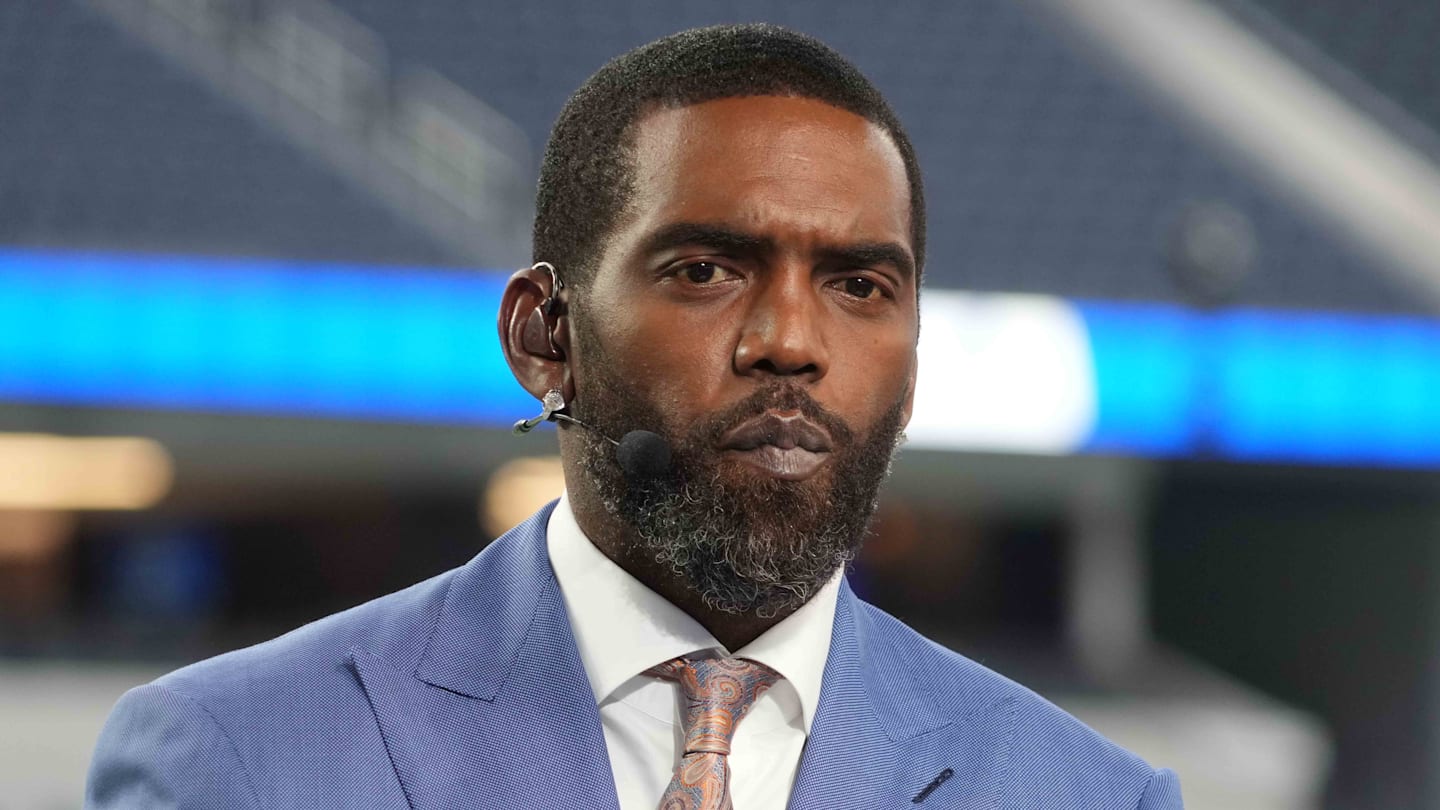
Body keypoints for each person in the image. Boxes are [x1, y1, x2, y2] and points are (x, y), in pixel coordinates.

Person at [87, 24, 1184, 809]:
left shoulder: (1089, 796)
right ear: (543, 336)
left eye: (859, 286)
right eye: (706, 269)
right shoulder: (235, 760)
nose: (791, 340)